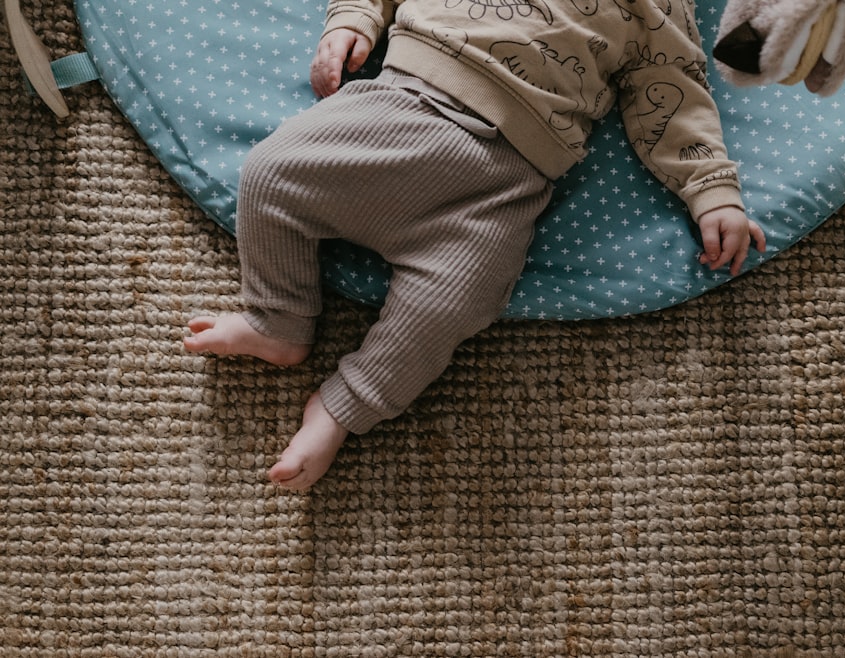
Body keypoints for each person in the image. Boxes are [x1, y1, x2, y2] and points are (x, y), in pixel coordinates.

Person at [183, 0, 767, 490]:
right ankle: (277, 317)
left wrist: (711, 189)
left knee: (457, 302)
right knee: (270, 172)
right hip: (400, 107)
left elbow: (674, 95)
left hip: (505, 184)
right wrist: (353, 20)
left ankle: (343, 406)